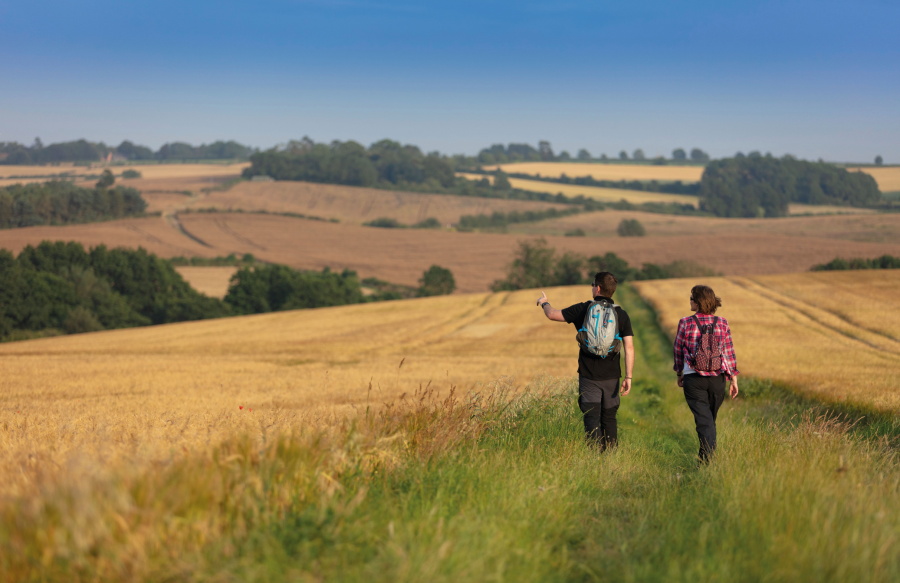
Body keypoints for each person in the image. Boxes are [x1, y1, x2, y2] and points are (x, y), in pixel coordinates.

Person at [536, 272, 634, 451]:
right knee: (609, 417)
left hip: (588, 375)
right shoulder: (621, 314)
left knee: (591, 416)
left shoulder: (583, 309)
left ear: (597, 288)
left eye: (592, 284)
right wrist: (629, 376)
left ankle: (595, 458)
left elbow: (551, 315)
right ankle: (611, 457)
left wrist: (544, 303)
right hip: (612, 376)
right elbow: (629, 347)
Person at [673, 284, 739, 462]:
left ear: (699, 302)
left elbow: (678, 350)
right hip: (718, 379)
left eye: (692, 298)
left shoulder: (686, 322)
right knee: (709, 420)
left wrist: (679, 373)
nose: (690, 301)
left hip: (693, 379)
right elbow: (729, 352)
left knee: (705, 421)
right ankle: (706, 460)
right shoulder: (722, 322)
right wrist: (733, 379)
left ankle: (707, 460)